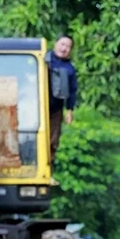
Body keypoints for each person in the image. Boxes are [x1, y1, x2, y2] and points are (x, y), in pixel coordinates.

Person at [46, 35, 78, 163]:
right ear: (55, 44)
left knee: (53, 140)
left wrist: (69, 110)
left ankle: (48, 169)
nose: (64, 48)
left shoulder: (69, 68)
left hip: (56, 109)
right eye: (62, 44)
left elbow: (72, 90)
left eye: (68, 46)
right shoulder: (44, 58)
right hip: (35, 106)